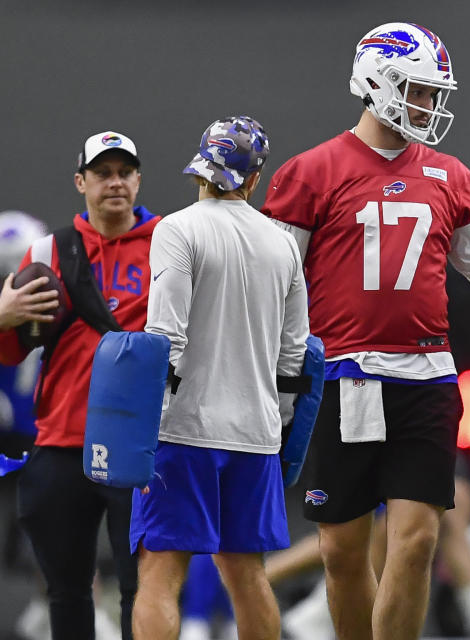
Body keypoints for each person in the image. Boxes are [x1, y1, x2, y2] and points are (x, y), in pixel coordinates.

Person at [260, 21, 470, 640]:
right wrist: (283, 376)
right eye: (418, 90)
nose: (428, 106)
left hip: (428, 376)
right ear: (377, 83)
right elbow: (272, 285)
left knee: (416, 540)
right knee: (343, 549)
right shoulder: (311, 171)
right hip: (346, 376)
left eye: (432, 93)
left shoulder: (450, 174)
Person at [131, 116, 309, 639]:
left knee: (160, 572)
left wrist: (148, 429)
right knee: (247, 573)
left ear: (201, 167)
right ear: (254, 179)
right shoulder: (283, 246)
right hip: (254, 438)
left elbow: (165, 336)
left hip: (183, 432)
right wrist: (274, 426)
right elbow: (295, 352)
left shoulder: (177, 229)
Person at [0, 132, 157, 640]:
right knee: (65, 593)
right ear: (80, 182)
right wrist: (2, 318)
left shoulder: (171, 245)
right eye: (102, 173)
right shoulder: (48, 252)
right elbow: (12, 350)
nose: (114, 183)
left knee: (142, 590)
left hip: (139, 447)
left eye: (123, 172)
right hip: (62, 443)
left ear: (138, 180)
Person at [268, 474, 470, 640]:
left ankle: (317, 613)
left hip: (402, 412)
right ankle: (311, 610)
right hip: (357, 410)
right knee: (353, 533)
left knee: (447, 497)